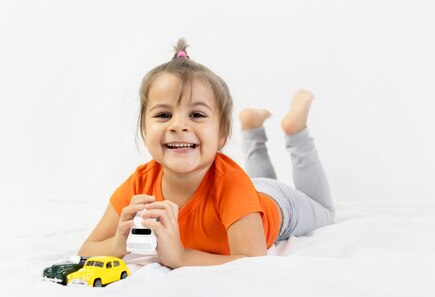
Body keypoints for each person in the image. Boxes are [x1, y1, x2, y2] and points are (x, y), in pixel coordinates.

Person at [78, 38, 334, 268]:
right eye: (164, 115)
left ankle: (296, 133)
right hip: (250, 193)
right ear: (145, 129)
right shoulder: (140, 183)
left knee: (324, 211)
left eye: (197, 114)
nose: (178, 125)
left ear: (222, 133)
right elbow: (87, 249)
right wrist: (116, 246)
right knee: (251, 186)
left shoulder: (232, 185)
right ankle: (253, 130)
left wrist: (180, 257)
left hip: (278, 205)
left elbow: (253, 262)